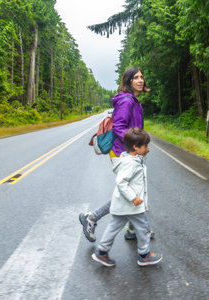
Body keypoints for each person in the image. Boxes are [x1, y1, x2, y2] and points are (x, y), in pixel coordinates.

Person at [79, 67, 153, 242]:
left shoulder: (133, 101)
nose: (140, 80)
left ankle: (134, 228)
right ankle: (91, 218)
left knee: (134, 189)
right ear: (128, 82)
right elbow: (119, 127)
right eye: (136, 78)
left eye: (142, 77)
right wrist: (135, 145)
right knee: (125, 192)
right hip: (122, 152)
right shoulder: (127, 101)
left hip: (130, 150)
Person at [91, 127, 162, 267]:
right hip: (131, 206)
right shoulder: (131, 163)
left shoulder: (131, 159)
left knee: (113, 227)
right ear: (136, 147)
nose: (148, 149)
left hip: (122, 205)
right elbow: (121, 182)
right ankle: (144, 255)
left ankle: (102, 252)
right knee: (144, 228)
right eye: (146, 146)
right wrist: (133, 197)